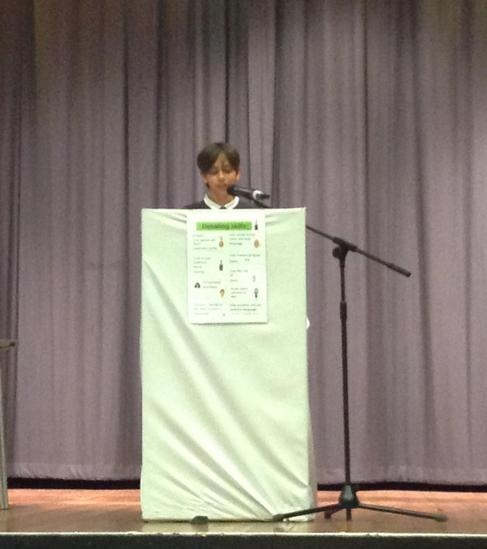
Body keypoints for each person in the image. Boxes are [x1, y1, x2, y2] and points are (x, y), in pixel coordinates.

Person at [184, 142, 256, 209]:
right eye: (214, 172)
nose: (221, 177)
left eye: (227, 170)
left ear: (237, 174)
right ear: (204, 176)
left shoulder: (253, 212)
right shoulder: (188, 214)